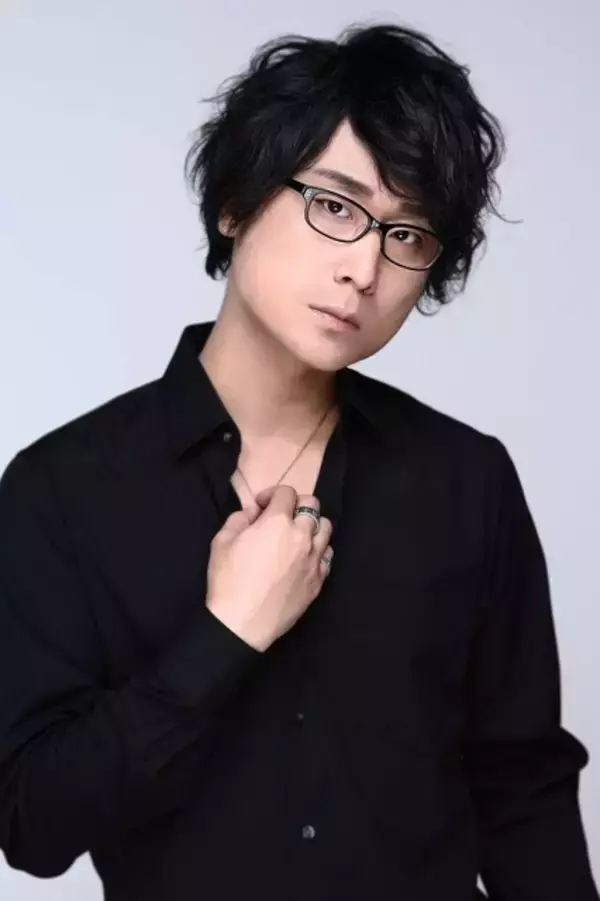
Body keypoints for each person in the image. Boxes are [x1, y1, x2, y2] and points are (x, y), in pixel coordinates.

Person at [0, 20, 597, 901]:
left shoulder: (465, 481)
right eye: (336, 206)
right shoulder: (61, 491)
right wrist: (223, 635)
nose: (365, 268)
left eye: (408, 235)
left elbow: (525, 797)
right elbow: (32, 823)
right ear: (234, 203)